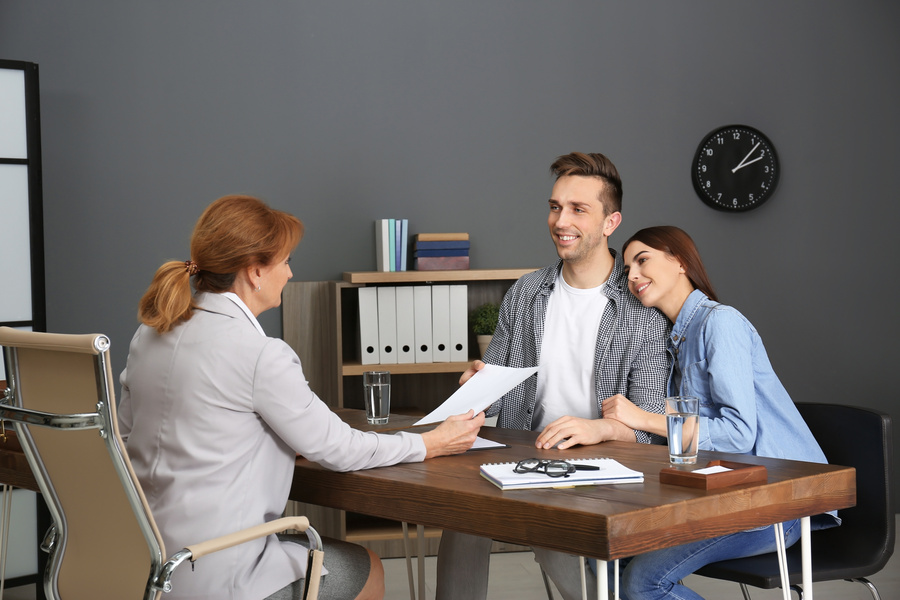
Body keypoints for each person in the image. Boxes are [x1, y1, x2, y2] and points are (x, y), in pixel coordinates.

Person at [118, 195, 484, 600]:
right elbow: (340, 449)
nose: (291, 273)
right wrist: (432, 441)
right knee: (368, 567)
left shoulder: (149, 335)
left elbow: (131, 434)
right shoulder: (260, 354)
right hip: (217, 572)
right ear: (256, 271)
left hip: (143, 564)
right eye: (286, 261)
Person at [435, 152, 671, 600]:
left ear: (610, 222)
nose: (561, 220)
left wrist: (596, 432)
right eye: (555, 206)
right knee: (462, 514)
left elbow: (650, 429)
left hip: (604, 469)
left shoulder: (641, 307)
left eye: (579, 209)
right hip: (524, 453)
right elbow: (499, 392)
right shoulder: (526, 293)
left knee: (556, 532)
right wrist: (478, 388)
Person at [577, 224, 837, 600]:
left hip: (773, 505)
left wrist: (643, 418)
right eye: (628, 268)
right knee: (605, 555)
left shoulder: (720, 322)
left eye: (642, 260)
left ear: (679, 261)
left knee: (641, 583)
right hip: (716, 498)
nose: (632, 275)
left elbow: (738, 433)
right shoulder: (667, 342)